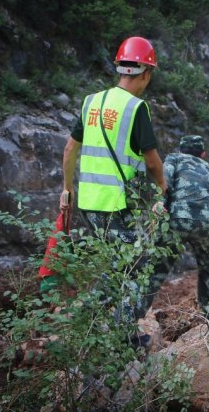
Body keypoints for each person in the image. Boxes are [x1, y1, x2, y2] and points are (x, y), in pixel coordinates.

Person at [59, 36, 169, 330]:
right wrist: (162, 188)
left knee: (117, 266)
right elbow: (151, 161)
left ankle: (91, 327)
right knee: (139, 269)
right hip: (115, 205)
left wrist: (67, 190)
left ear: (121, 69)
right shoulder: (136, 108)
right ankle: (119, 338)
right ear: (145, 73)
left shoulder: (91, 102)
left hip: (88, 204)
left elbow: (70, 149)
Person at [163, 135, 209, 316]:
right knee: (207, 267)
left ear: (180, 150)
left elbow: (165, 179)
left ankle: (133, 318)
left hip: (177, 220)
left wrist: (161, 201)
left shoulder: (173, 158)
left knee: (157, 269)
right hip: (204, 223)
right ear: (203, 154)